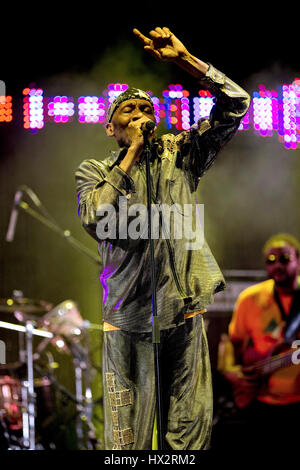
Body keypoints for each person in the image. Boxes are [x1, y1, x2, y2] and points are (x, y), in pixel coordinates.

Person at [75, 26, 250, 450]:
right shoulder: (94, 171)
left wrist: (185, 60)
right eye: (128, 112)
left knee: (187, 441)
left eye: (144, 109)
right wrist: (132, 154)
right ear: (110, 127)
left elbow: (237, 105)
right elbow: (97, 218)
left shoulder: (181, 153)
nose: (139, 116)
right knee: (127, 446)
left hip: (183, 316)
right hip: (126, 324)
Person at [216, 233, 300, 448]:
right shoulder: (250, 298)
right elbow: (230, 343)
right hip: (260, 403)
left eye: (284, 259)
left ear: (298, 259)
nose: (277, 266)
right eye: (270, 261)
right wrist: (232, 372)